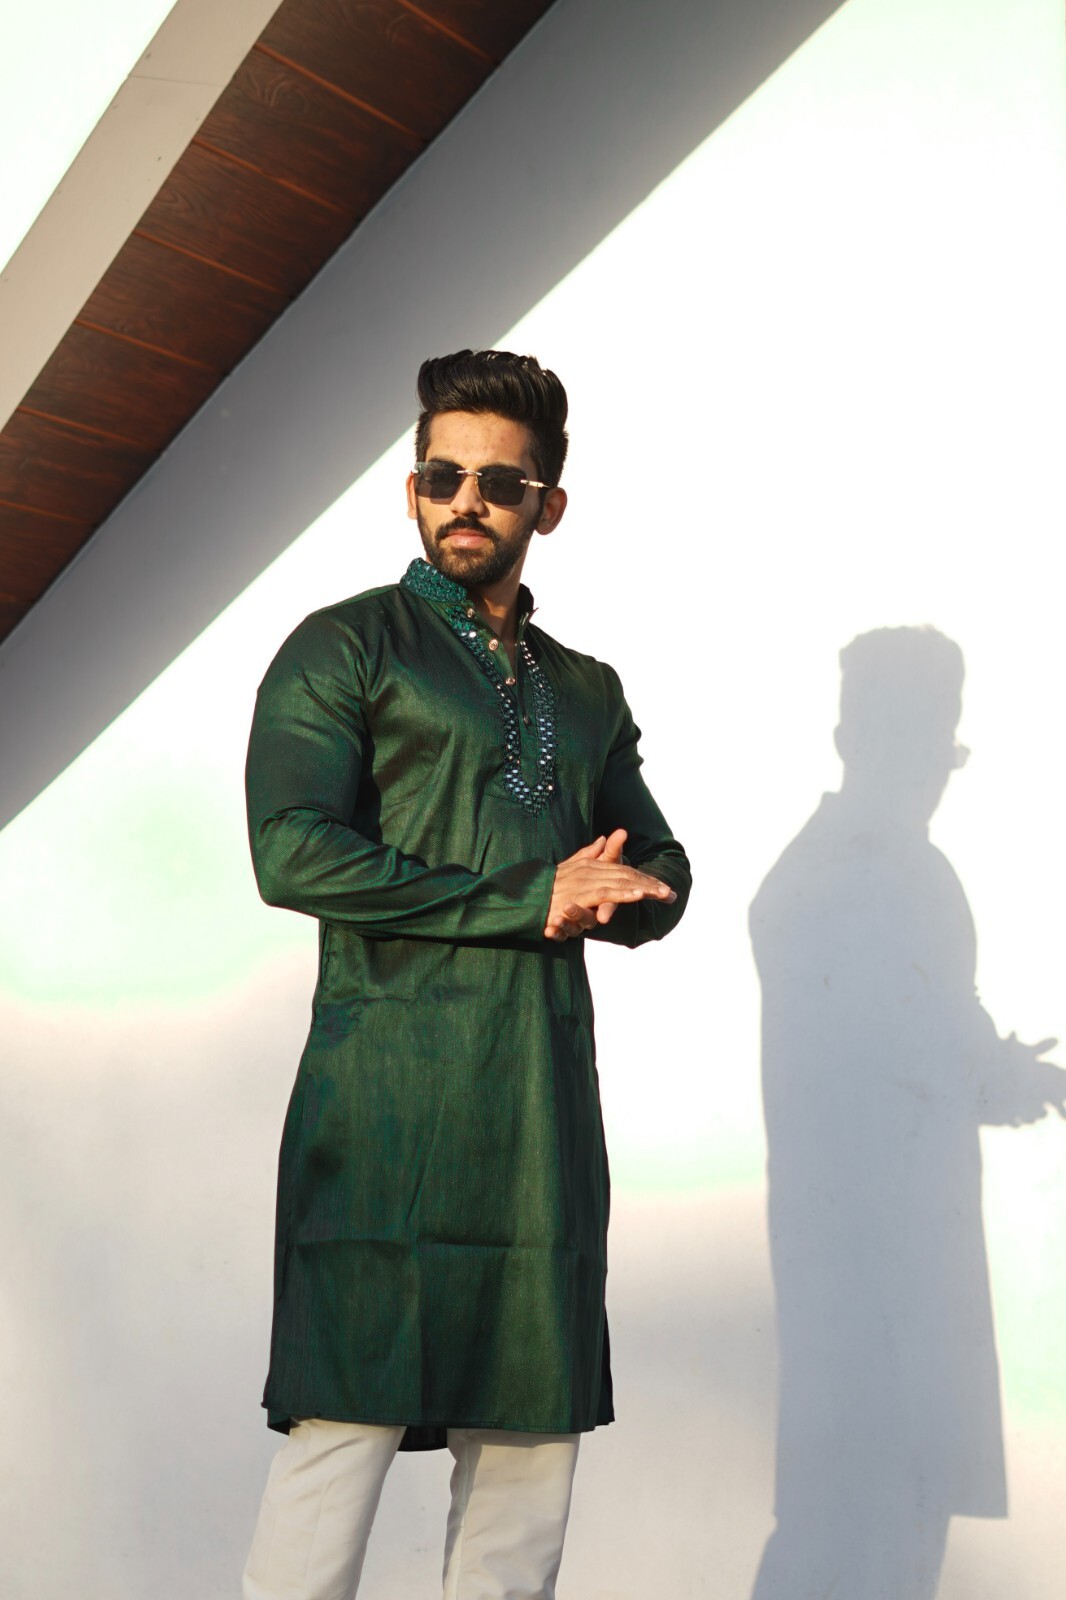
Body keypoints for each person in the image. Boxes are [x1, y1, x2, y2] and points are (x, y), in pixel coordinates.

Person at [242, 349, 691, 1599]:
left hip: (536, 1117)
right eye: (443, 476)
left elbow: (660, 865)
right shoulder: (346, 648)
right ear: (411, 490)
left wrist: (620, 893)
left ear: (548, 505)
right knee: (339, 1434)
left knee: (526, 1463)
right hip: (383, 1109)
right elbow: (291, 850)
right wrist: (531, 895)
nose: (467, 501)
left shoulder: (583, 691)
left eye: (499, 482)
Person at [748, 626, 1065, 1600]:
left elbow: (932, 1044)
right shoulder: (870, 879)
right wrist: (1008, 1078)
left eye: (939, 746)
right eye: (919, 743)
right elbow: (916, 1054)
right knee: (859, 1543)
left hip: (878, 1292)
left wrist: (1002, 1073)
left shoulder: (837, 875)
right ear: (856, 740)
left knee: (859, 1538)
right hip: (878, 1291)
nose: (931, 774)